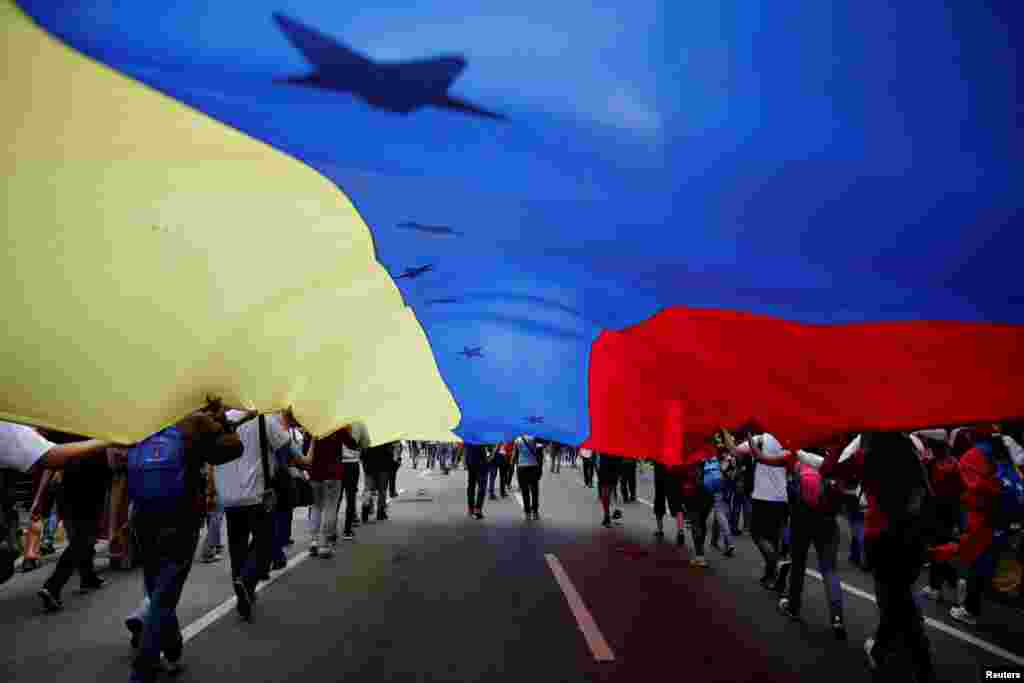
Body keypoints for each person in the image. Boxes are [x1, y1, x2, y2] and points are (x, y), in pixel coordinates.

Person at [126, 400, 244, 682]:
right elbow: (233, 448)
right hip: (180, 521)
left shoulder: (141, 417)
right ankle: (143, 670)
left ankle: (173, 647)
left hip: (143, 518)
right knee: (163, 598)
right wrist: (223, 421)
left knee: (158, 592)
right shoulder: (195, 422)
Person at [825, 432, 935, 681]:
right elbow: (925, 497)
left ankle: (908, 656)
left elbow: (831, 470)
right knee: (900, 597)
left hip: (884, 540)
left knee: (893, 601)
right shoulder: (910, 454)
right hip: (912, 540)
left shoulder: (868, 456)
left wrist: (839, 440)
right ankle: (897, 651)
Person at [749, 439, 846, 639]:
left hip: (801, 518)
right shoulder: (830, 459)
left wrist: (752, 440)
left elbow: (761, 458)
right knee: (830, 570)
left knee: (798, 564)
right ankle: (837, 619)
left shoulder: (792, 456)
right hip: (827, 518)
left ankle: (793, 606)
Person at [216, 408, 301, 622]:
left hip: (229, 495)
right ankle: (247, 581)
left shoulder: (222, 420)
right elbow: (284, 448)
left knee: (237, 546)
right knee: (265, 542)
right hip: (257, 494)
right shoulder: (264, 418)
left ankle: (243, 594)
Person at [932, 429, 1022, 627]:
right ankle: (975, 601)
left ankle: (970, 610)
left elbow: (976, 490)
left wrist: (966, 497)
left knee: (976, 561)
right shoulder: (1005, 451)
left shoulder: (974, 455)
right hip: (1007, 518)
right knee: (986, 560)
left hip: (986, 518)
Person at [37, 434, 112, 612]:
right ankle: (53, 585)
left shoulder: (67, 422)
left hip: (69, 480)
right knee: (84, 537)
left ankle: (88, 576)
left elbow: (51, 454)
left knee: (81, 534)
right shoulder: (96, 423)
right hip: (90, 481)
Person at [731, 433, 789, 589]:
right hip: (782, 497)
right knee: (773, 538)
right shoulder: (788, 439)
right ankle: (771, 577)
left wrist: (723, 431)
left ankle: (777, 564)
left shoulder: (761, 439)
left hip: (763, 497)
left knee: (757, 535)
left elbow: (735, 450)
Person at [653, 462, 687, 543]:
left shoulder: (658, 451)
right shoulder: (675, 451)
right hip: (674, 475)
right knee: (678, 504)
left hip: (660, 475)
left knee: (659, 502)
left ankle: (660, 529)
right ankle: (680, 531)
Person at [514, 435, 543, 520]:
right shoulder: (536, 437)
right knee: (534, 490)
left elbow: (515, 455)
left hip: (521, 467)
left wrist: (515, 467)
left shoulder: (517, 439)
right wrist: (540, 468)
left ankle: (527, 513)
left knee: (525, 491)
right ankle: (535, 513)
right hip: (533, 466)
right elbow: (540, 454)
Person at [597, 452, 623, 528]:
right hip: (604, 469)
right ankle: (607, 515)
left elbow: (620, 458)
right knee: (605, 494)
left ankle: (609, 514)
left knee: (610, 492)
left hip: (614, 469)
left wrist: (620, 472)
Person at [464, 442, 489, 519]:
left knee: (471, 485)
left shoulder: (468, 434)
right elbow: (490, 447)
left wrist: (465, 460)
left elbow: (465, 447)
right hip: (481, 463)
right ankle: (477, 509)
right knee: (482, 486)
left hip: (471, 461)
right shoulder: (483, 434)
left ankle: (471, 509)